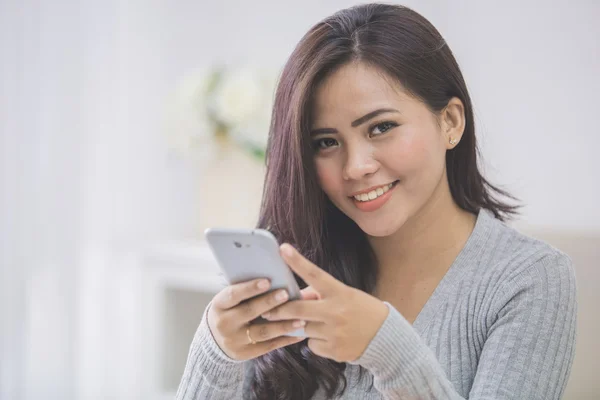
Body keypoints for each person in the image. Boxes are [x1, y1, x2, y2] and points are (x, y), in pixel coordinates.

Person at [176, 3, 577, 399]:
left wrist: (388, 348)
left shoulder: (530, 280)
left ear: (451, 122)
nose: (356, 167)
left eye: (382, 127)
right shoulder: (299, 267)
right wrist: (215, 353)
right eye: (326, 142)